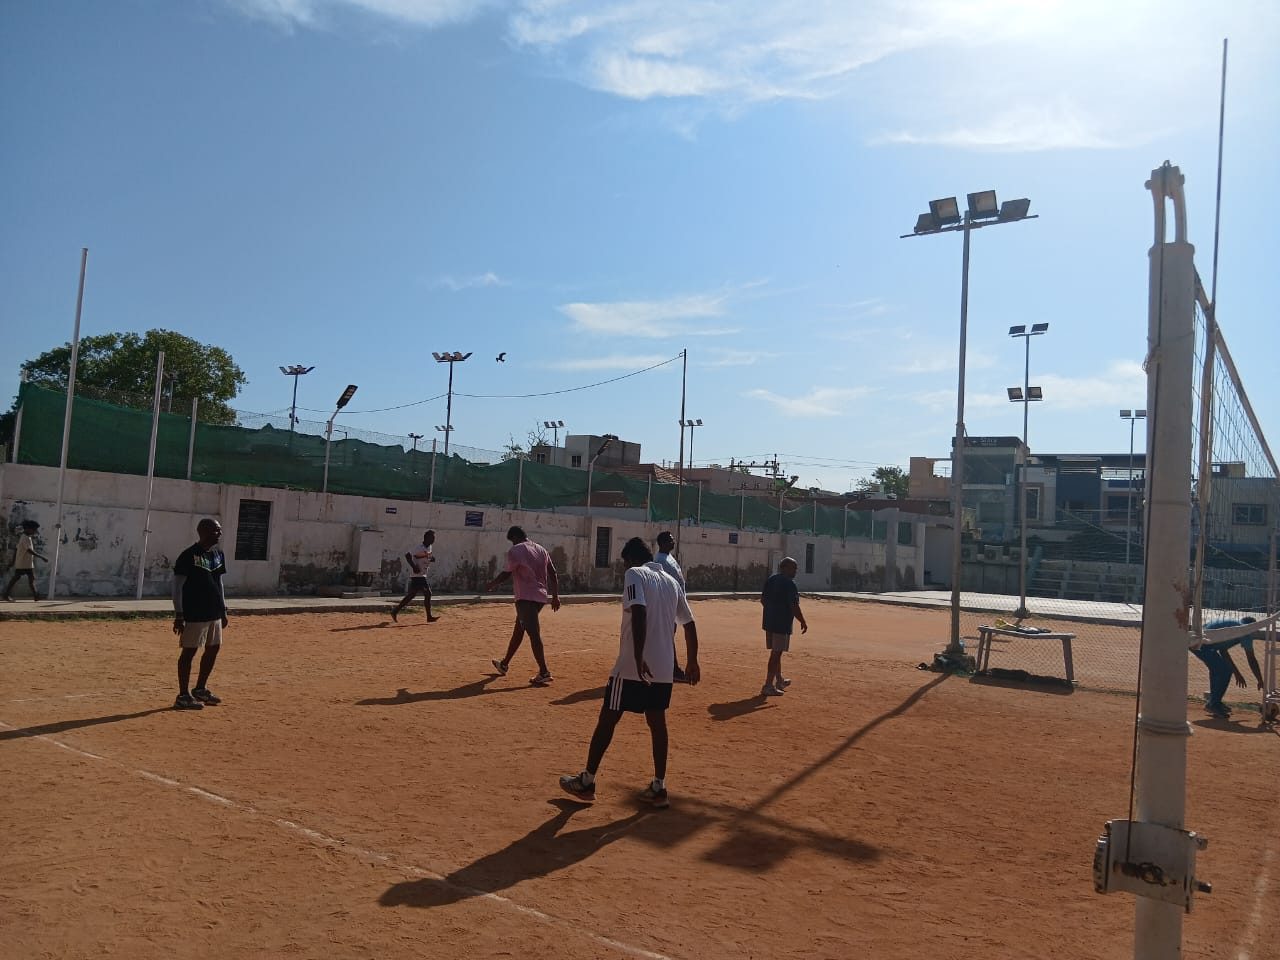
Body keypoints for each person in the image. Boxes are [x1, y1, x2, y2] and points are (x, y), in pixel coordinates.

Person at [560, 537, 700, 808]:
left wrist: (637, 656)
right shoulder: (671, 582)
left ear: (631, 559)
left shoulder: (634, 574)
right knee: (657, 723)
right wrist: (692, 661)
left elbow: (638, 611)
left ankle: (587, 781)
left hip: (632, 667)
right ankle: (659, 786)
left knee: (608, 718)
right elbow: (689, 623)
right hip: (663, 668)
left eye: (624, 562)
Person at [487, 526, 561, 685]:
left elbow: (507, 573)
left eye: (512, 540)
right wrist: (555, 596)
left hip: (525, 597)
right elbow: (553, 573)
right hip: (540, 597)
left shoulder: (516, 550)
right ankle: (504, 663)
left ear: (515, 537)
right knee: (519, 630)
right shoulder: (541, 549)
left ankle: (544, 671)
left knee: (533, 633)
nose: (512, 544)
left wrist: (492, 584)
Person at [171, 518, 229, 711]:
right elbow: (177, 587)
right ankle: (183, 695)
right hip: (195, 612)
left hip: (214, 612)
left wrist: (223, 609)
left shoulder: (218, 554)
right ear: (204, 532)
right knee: (189, 651)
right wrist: (179, 615)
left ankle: (200, 689)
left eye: (219, 530)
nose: (219, 533)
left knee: (213, 648)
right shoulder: (188, 555)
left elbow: (219, 582)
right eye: (216, 530)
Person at [1195, 616, 1265, 719]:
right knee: (1224, 671)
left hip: (1198, 641)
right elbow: (1251, 659)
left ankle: (1214, 702)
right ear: (1251, 627)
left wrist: (1237, 673)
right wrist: (1259, 680)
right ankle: (1214, 704)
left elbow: (1223, 651)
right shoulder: (1244, 631)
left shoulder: (1235, 625)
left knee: (1218, 670)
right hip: (1202, 645)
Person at [760, 557, 807, 697]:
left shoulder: (771, 579)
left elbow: (763, 600)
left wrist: (771, 611)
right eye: (793, 568)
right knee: (776, 654)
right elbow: (794, 606)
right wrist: (802, 621)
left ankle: (779, 680)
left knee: (776, 652)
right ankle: (768, 685)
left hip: (769, 622)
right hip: (781, 624)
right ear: (784, 567)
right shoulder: (789, 583)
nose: (796, 571)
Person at [653, 530, 688, 682]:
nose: (673, 542)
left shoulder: (669, 558)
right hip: (667, 606)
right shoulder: (659, 561)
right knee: (666, 638)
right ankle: (673, 670)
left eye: (673, 539)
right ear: (662, 543)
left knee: (667, 638)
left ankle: (667, 668)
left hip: (675, 605)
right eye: (670, 540)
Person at [391, 530, 439, 623]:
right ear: (427, 538)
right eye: (432, 538)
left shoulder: (429, 547)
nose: (434, 540)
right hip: (418, 575)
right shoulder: (418, 547)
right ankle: (429, 617)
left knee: (411, 595)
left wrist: (431, 559)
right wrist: (414, 567)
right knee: (428, 593)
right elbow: (407, 555)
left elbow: (425, 556)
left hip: (422, 574)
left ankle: (395, 611)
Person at [4, 519, 47, 602]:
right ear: (28, 529)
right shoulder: (24, 538)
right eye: (34, 529)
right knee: (16, 578)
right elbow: (29, 550)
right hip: (22, 563)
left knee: (31, 579)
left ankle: (36, 595)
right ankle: (6, 595)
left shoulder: (27, 537)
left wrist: (13, 562)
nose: (35, 531)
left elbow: (17, 549)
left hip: (27, 563)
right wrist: (41, 557)